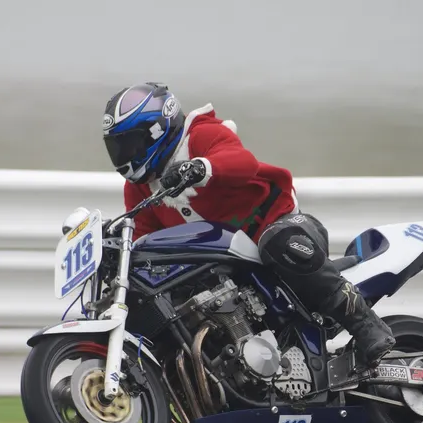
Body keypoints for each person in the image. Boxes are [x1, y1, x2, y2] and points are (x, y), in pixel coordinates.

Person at [101, 82, 396, 365]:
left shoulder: (200, 135)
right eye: (117, 147)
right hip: (225, 263)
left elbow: (242, 162)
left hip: (280, 224)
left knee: (278, 242)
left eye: (129, 144)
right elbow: (145, 237)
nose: (124, 156)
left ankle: (366, 325)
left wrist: (201, 167)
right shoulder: (139, 188)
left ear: (155, 130)